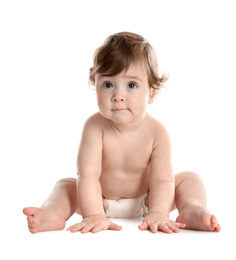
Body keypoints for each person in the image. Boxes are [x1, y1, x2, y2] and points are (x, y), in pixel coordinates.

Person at [23, 32, 221, 234]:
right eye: (108, 85)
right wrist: (93, 213)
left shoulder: (157, 132)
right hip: (98, 200)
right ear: (96, 86)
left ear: (152, 92)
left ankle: (191, 209)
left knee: (189, 179)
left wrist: (159, 212)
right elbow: (88, 174)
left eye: (131, 85)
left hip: (147, 201)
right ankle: (52, 212)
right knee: (65, 186)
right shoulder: (94, 126)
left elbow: (162, 180)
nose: (118, 96)